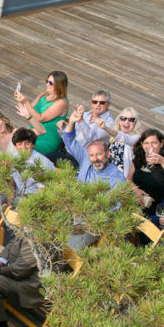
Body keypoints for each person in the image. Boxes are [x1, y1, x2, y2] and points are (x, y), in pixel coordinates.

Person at [60, 107, 127, 250]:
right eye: (92, 156)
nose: (95, 159)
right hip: (71, 212)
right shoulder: (85, 159)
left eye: (99, 155)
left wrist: (83, 220)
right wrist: (72, 122)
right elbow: (69, 139)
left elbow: (110, 212)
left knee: (64, 249)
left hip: (91, 224)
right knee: (43, 234)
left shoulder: (116, 178)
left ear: (108, 154)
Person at [14, 71, 69, 162]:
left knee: (22, 149)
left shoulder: (61, 102)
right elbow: (31, 109)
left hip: (48, 138)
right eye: (47, 81)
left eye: (50, 83)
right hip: (35, 132)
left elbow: (41, 118)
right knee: (15, 140)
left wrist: (26, 102)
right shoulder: (44, 95)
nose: (47, 84)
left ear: (59, 85)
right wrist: (21, 100)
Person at [129, 129, 164, 216]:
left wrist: (163, 162)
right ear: (142, 144)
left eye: (154, 143)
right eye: (146, 143)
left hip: (158, 208)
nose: (150, 146)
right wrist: (135, 189)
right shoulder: (139, 159)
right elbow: (127, 180)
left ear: (161, 143)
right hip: (137, 203)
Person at [11, 127, 55, 202]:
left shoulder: (42, 162)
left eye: (27, 143)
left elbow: (42, 191)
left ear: (33, 145)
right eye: (19, 144)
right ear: (15, 146)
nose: (23, 147)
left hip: (36, 200)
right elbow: (11, 182)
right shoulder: (13, 157)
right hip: (18, 197)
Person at [100, 107, 141, 178]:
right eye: (123, 118)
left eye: (131, 119)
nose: (127, 122)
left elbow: (125, 138)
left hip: (123, 180)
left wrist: (105, 128)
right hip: (108, 176)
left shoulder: (137, 138)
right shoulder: (113, 139)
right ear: (119, 121)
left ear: (135, 123)